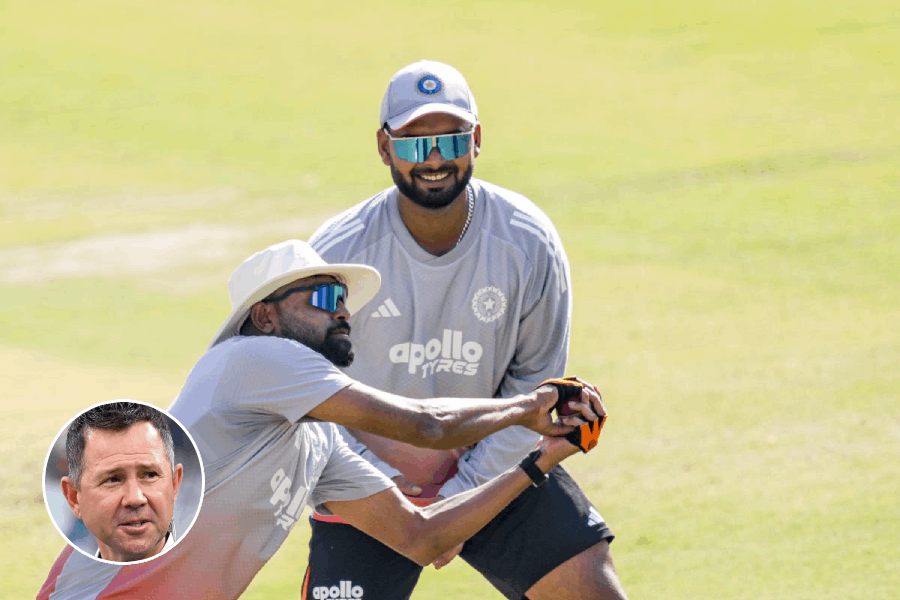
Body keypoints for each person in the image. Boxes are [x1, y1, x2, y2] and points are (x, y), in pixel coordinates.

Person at [37, 239, 606, 600]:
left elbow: (420, 537)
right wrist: (529, 408)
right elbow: (427, 425)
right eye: (325, 296)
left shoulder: (317, 441)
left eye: (345, 300)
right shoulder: (250, 359)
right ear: (265, 316)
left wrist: (541, 463)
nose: (344, 311)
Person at [307, 59, 629, 600]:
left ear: (476, 140)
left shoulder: (528, 241)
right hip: (366, 490)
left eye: (450, 139)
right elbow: (306, 395)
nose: (433, 159)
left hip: (496, 471)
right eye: (412, 144)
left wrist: (460, 500)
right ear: (384, 148)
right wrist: (384, 494)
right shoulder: (336, 254)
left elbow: (535, 388)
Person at [59, 402, 184, 563]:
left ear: (175, 485)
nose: (135, 498)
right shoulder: (66, 583)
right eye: (112, 479)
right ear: (74, 497)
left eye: (150, 475)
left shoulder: (211, 576)